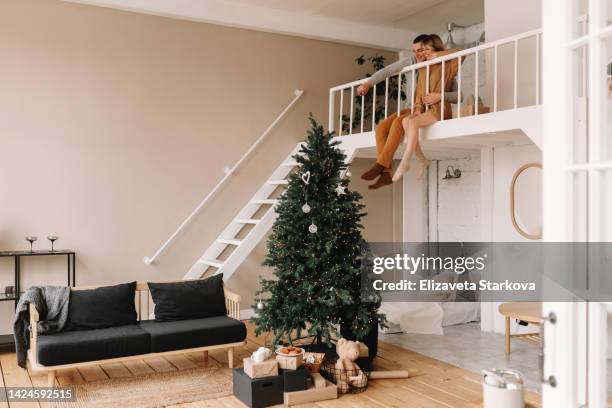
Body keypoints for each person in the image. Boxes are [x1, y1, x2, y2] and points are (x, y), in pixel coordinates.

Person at [358, 34, 461, 189]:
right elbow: (389, 70)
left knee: (398, 123)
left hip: (427, 109)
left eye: (422, 50)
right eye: (415, 51)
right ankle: (385, 172)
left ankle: (381, 165)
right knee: (380, 129)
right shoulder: (413, 61)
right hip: (413, 107)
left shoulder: (443, 68)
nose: (418, 54)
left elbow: (458, 95)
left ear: (431, 50)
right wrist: (369, 83)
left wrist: (439, 96)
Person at [392, 39, 462, 182]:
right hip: (425, 110)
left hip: (439, 109)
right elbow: (419, 92)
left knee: (412, 123)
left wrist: (436, 56)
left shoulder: (447, 64)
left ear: (436, 49)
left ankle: (406, 161)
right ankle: (422, 160)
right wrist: (417, 109)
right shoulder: (423, 67)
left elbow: (460, 53)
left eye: (427, 49)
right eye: (423, 50)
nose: (424, 53)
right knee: (406, 120)